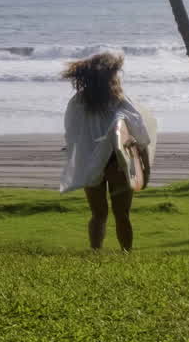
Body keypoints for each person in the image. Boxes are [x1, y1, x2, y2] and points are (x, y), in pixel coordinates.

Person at [59, 52, 154, 251]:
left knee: (98, 214)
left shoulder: (77, 102)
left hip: (90, 164)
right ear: (111, 77)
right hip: (118, 164)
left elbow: (72, 133)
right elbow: (141, 134)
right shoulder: (120, 100)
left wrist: (75, 157)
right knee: (122, 215)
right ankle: (126, 255)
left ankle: (95, 253)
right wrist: (144, 169)